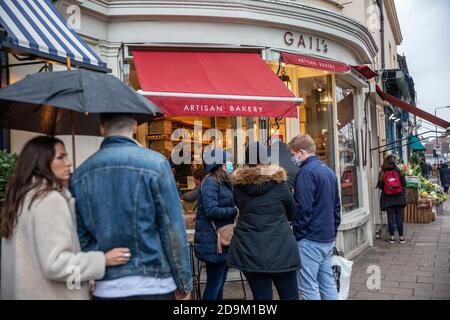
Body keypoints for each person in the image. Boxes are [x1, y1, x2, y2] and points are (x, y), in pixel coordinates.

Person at [70, 113, 192, 300]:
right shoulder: (156, 164)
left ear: (102, 128)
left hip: (107, 285)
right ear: (135, 126)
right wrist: (183, 280)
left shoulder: (81, 174)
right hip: (155, 282)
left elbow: (81, 234)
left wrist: (91, 272)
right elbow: (172, 228)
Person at [0, 136, 130, 300]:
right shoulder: (49, 200)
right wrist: (103, 260)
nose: (68, 162)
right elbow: (56, 264)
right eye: (61, 157)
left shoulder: (22, 197)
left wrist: (80, 279)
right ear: (41, 162)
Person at [228, 142, 300, 300]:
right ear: (267, 160)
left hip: (250, 250)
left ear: (247, 163)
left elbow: (240, 207)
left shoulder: (238, 188)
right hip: (281, 250)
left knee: (261, 298)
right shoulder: (280, 184)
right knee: (290, 297)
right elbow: (293, 214)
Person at [288, 134, 341, 300]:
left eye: (293, 153)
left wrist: (298, 234)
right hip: (326, 238)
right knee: (328, 284)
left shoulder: (305, 173)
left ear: (302, 152)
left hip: (310, 239)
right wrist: (333, 232)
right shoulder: (328, 171)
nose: (292, 157)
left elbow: (303, 209)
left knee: (308, 287)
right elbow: (336, 207)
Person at [194, 149, 238, 300]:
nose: (230, 164)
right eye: (227, 162)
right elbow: (211, 210)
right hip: (213, 242)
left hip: (221, 240)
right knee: (215, 284)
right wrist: (234, 211)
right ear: (219, 164)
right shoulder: (211, 183)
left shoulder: (223, 182)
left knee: (219, 283)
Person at [377, 155, 407, 244]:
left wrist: (388, 187)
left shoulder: (382, 173)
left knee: (390, 217)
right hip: (399, 197)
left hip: (387, 198)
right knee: (399, 217)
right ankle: (401, 238)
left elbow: (380, 186)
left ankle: (392, 238)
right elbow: (404, 183)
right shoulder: (398, 171)